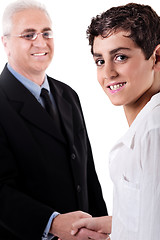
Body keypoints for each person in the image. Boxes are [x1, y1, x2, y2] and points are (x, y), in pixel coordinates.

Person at [0, 0, 108, 240]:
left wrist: (100, 226)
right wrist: (54, 223)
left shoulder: (68, 95)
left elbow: (88, 173)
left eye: (46, 33)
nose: (40, 42)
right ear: (5, 43)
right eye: (29, 34)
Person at [71, 2, 160, 240]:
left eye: (120, 57)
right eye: (100, 61)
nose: (108, 73)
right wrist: (115, 223)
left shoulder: (154, 131)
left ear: (156, 57)